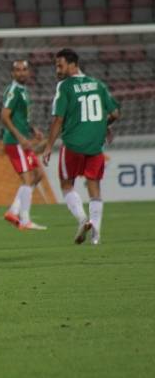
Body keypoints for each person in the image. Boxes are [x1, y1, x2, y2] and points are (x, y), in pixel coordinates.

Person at [43, 48, 120, 245]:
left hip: (73, 145)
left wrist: (48, 146)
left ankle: (82, 219)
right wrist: (104, 126)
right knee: (94, 187)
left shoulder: (65, 86)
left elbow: (58, 119)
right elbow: (115, 113)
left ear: (73, 64)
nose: (57, 70)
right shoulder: (98, 84)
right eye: (56, 66)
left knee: (66, 184)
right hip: (95, 145)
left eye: (60, 66)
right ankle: (96, 236)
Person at [0, 60, 47, 231]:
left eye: (24, 69)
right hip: (15, 142)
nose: (21, 72)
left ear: (29, 72)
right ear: (12, 73)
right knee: (27, 179)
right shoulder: (13, 91)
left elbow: (20, 117)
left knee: (38, 174)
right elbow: (4, 116)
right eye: (18, 70)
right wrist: (20, 137)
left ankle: (13, 211)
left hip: (22, 141)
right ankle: (25, 220)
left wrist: (32, 130)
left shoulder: (23, 90)